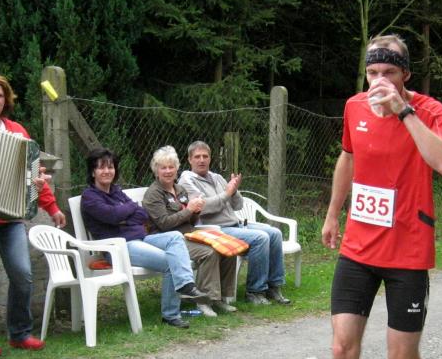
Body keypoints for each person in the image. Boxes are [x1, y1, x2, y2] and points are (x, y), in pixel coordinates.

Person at [316, 34, 442, 359]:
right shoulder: (354, 107)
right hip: (359, 248)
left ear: (406, 76)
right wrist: (332, 214)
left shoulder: (429, 110)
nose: (378, 81)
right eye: (372, 72)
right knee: (341, 347)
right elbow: (347, 158)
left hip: (407, 251)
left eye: (389, 73)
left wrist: (404, 111)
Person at [0, 74, 66, 359]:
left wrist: (52, 207)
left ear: (6, 100)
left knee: (22, 274)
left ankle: (20, 333)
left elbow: (35, 177)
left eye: (0, 96)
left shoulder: (17, 131)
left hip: (11, 218)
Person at [80, 148, 209, 329]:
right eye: (101, 167)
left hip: (141, 239)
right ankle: (171, 315)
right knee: (171, 262)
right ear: (93, 172)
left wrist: (124, 214)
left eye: (110, 167)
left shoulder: (116, 192)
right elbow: (112, 216)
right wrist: (127, 211)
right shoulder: (90, 197)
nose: (107, 171)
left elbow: (141, 214)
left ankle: (186, 284)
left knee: (175, 236)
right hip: (118, 247)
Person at [178, 141, 290, 305]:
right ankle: (255, 291)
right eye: (197, 157)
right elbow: (203, 207)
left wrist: (234, 190)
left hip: (235, 224)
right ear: (189, 159)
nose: (201, 160)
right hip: (214, 230)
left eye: (205, 156)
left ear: (210, 158)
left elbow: (238, 205)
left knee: (275, 233)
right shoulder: (186, 181)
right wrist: (226, 194)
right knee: (260, 238)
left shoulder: (216, 178)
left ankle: (274, 286)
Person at [142, 145, 238, 317]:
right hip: (168, 239)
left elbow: (190, 220)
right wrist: (188, 210)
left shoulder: (180, 189)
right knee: (209, 252)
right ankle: (204, 301)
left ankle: (220, 298)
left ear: (177, 169)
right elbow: (164, 224)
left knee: (227, 247)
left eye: (171, 167)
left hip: (189, 234)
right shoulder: (153, 194)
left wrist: (196, 212)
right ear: (156, 170)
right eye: (163, 168)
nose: (168, 171)